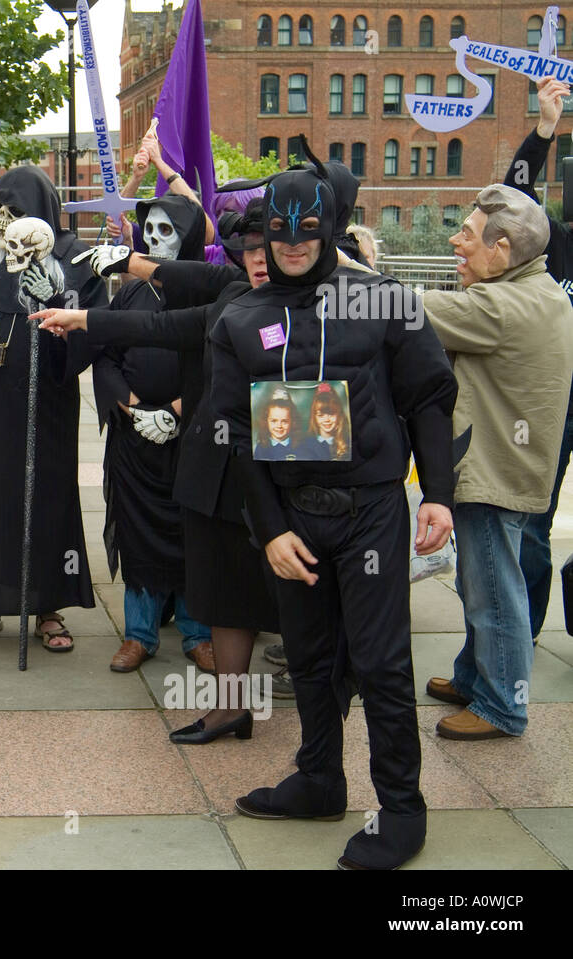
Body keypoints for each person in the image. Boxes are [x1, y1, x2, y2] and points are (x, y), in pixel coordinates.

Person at [209, 163, 457, 870]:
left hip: (372, 510)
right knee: (311, 660)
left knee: (380, 664)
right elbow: (234, 433)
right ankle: (319, 778)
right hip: (293, 515)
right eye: (278, 233)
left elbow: (430, 397)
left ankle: (402, 808)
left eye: (307, 232)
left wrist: (437, 491)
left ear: (332, 230)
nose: (291, 246)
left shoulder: (387, 302)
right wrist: (272, 529)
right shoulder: (241, 318)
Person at [36, 197, 281, 742]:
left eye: (280, 246)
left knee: (276, 579)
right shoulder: (233, 291)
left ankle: (312, 702)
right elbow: (156, 326)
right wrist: (89, 317)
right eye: (253, 249)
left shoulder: (326, 297)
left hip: (288, 464)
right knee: (209, 556)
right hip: (209, 456)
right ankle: (216, 692)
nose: (264, 258)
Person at [420, 185, 573, 740]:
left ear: (503, 249)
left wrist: (351, 273)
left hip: (493, 472)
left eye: (467, 234)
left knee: (493, 591)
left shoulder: (503, 305)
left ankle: (503, 705)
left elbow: (415, 310)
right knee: (481, 580)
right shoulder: (539, 291)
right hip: (505, 465)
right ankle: (473, 676)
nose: (457, 241)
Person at [0, 165, 106, 651]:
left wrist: (55, 303)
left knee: (48, 497)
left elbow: (93, 328)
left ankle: (49, 606)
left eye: (14, 211)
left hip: (47, 403)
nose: (1, 221)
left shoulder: (75, 259)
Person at [90, 192, 213, 673]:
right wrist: (133, 407)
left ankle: (197, 633)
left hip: (190, 438)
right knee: (138, 533)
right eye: (150, 231)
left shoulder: (206, 292)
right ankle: (139, 634)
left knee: (191, 534)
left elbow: (216, 361)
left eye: (168, 231)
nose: (157, 241)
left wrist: (179, 411)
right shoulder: (129, 293)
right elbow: (106, 353)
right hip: (134, 439)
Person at [503, 75, 573, 639]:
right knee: (529, 525)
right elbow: (515, 203)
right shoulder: (559, 245)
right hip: (555, 406)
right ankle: (511, 654)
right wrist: (545, 128)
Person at [298, 382, 351, 461]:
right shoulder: (306, 444)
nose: (326, 420)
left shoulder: (346, 443)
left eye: (331, 414)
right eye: (321, 415)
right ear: (314, 417)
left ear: (339, 414)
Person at [253, 389, 300, 461]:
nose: (279, 426)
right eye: (274, 421)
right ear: (266, 421)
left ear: (293, 422)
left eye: (284, 421)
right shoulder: (261, 448)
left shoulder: (299, 446)